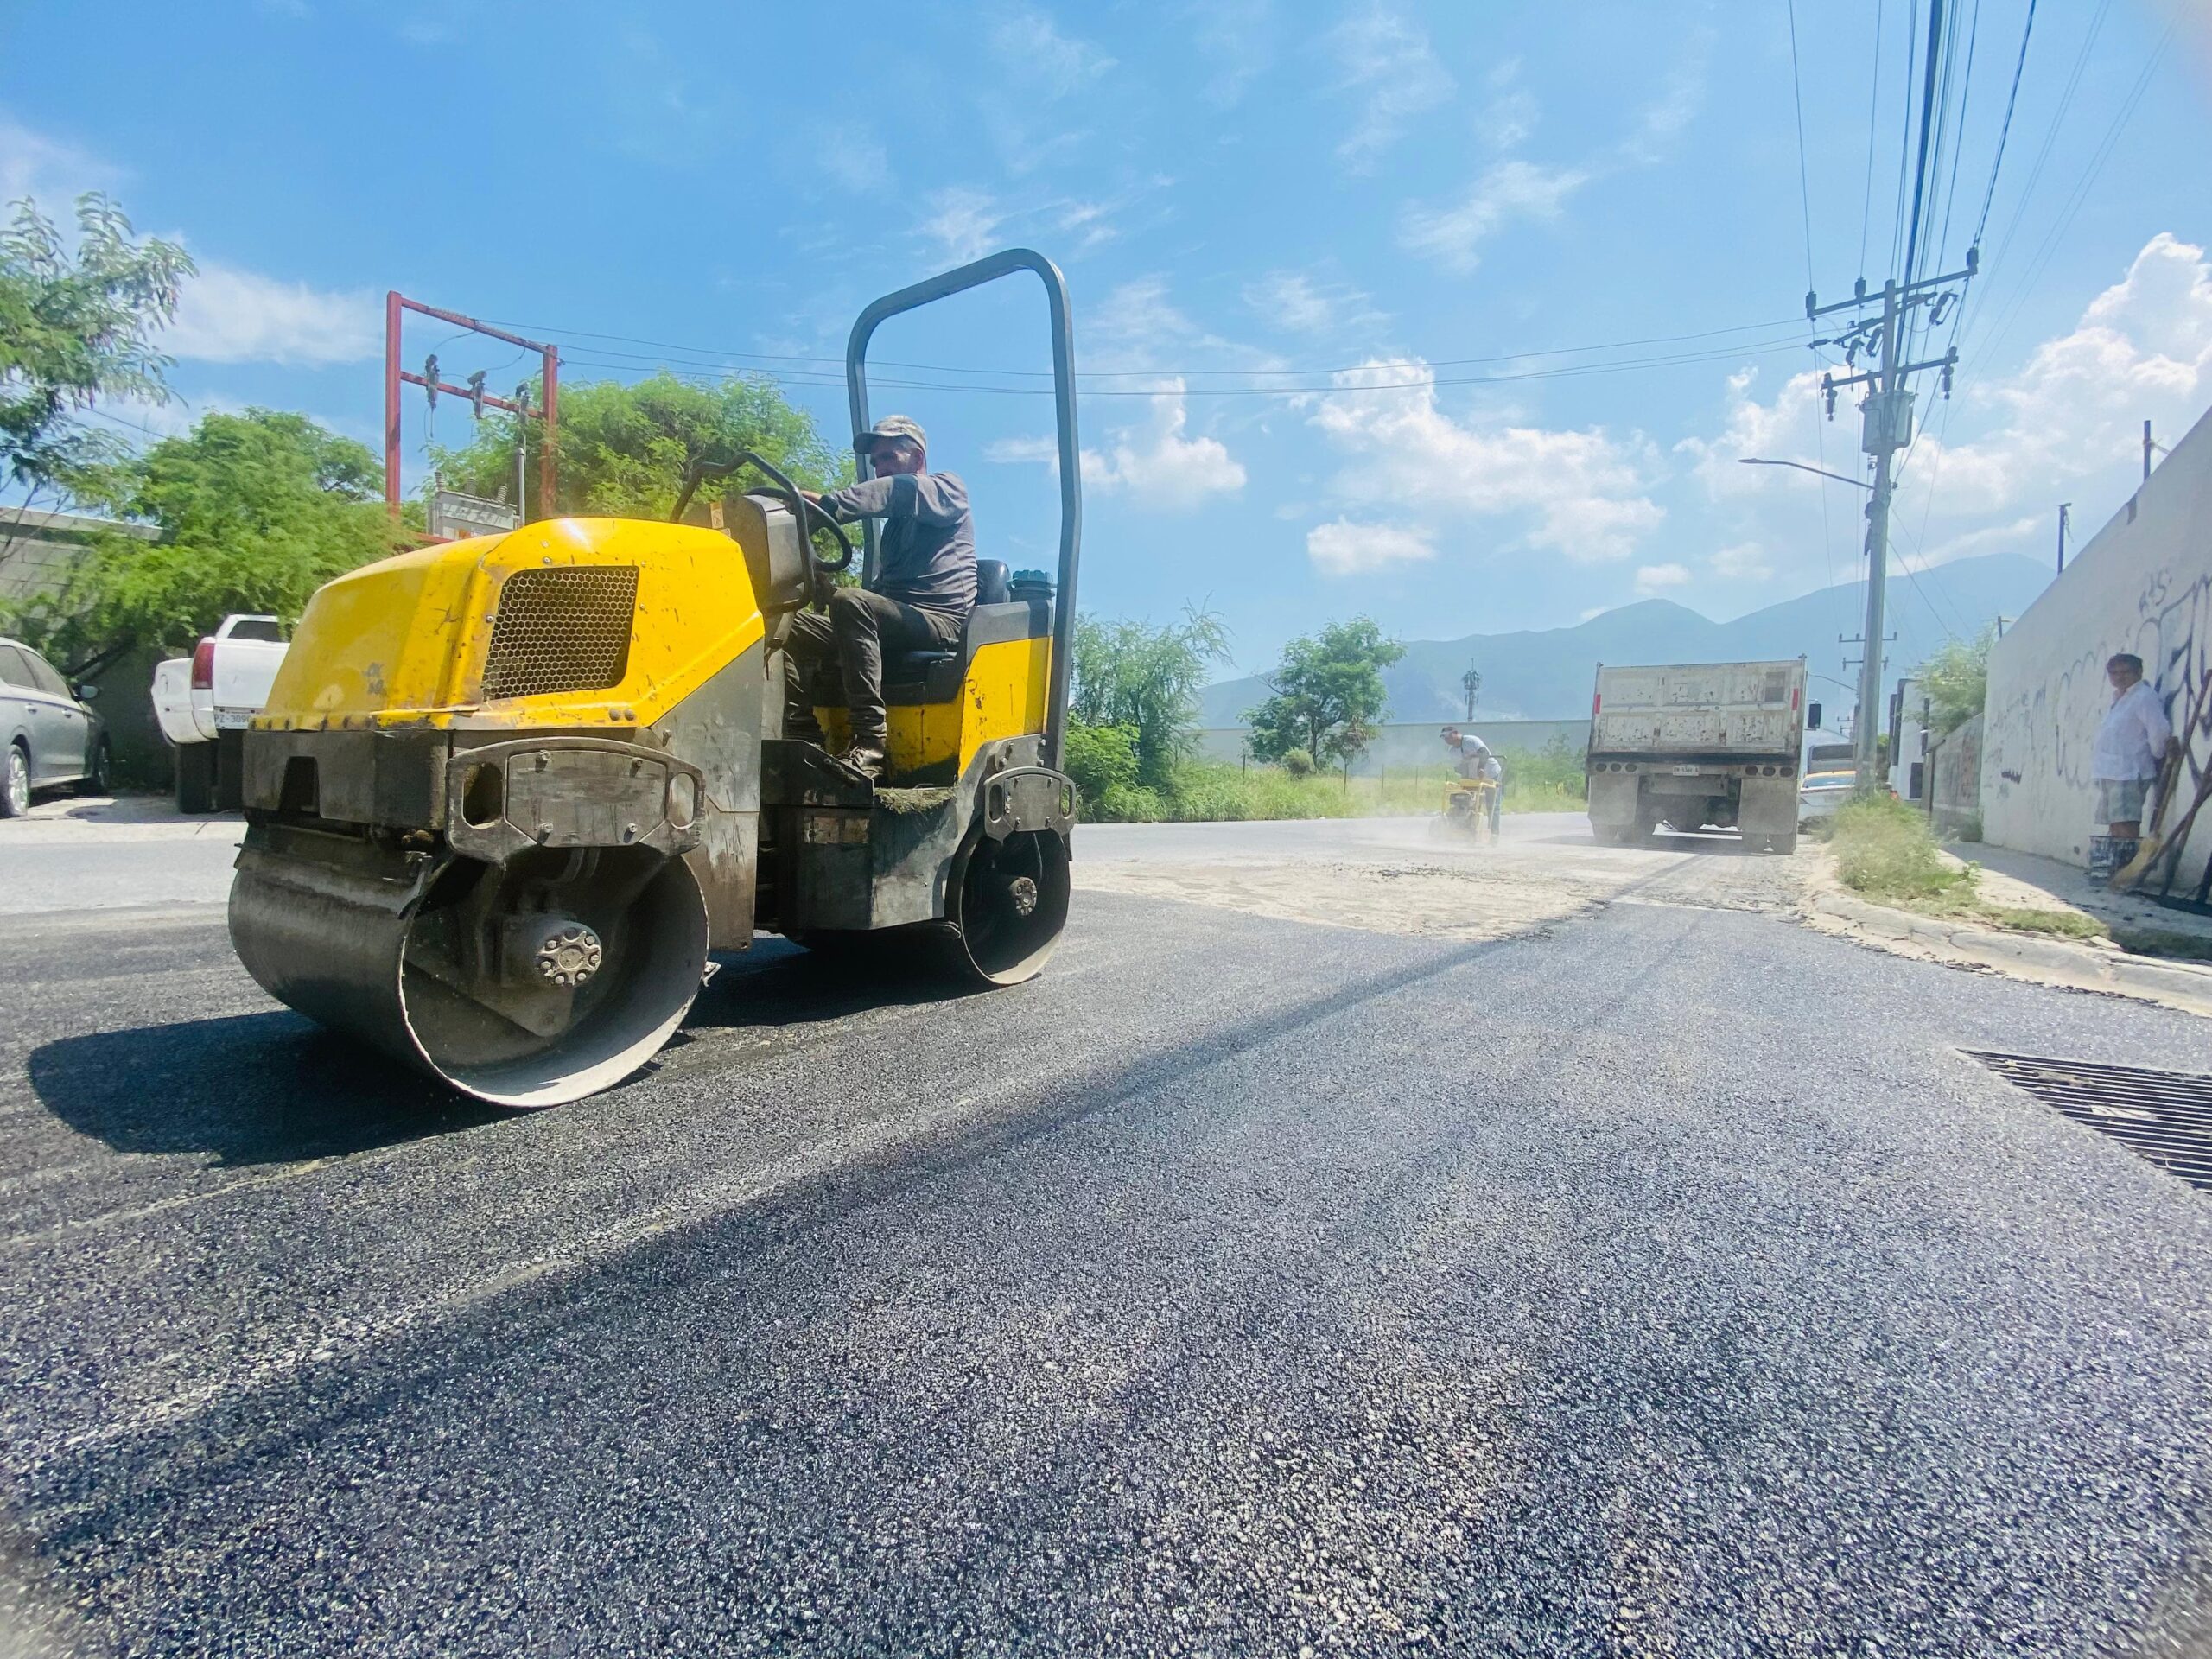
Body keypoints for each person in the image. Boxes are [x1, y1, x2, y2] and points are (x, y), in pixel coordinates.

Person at [790, 416, 976, 781]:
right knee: (778, 620)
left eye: (889, 457)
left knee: (851, 602)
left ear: (918, 457)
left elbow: (896, 490)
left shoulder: (947, 490)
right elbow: (883, 596)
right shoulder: (894, 531)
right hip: (900, 619)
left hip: (940, 621)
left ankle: (870, 744)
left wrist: (830, 505)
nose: (880, 469)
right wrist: (823, 587)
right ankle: (801, 731)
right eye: (876, 462)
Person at [2090, 651, 2181, 878]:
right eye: (2114, 673)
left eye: (2125, 672)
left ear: (2138, 672)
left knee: (2126, 823)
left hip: (2129, 770)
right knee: (2114, 823)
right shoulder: (2119, 698)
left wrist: (2159, 756)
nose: (2119, 677)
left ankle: (2127, 872)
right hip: (2110, 770)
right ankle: (2116, 869)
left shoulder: (2143, 697)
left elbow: (2159, 730)